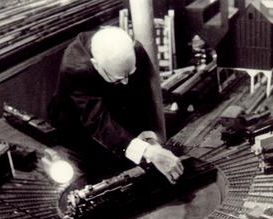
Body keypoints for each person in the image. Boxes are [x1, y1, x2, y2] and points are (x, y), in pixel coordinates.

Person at [49, 26, 183, 183]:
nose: (126, 83)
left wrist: (151, 141)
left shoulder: (134, 50)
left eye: (130, 73)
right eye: (119, 79)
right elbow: (97, 121)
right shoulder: (75, 69)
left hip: (114, 113)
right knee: (99, 174)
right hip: (79, 128)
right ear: (96, 65)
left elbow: (144, 97)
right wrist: (148, 152)